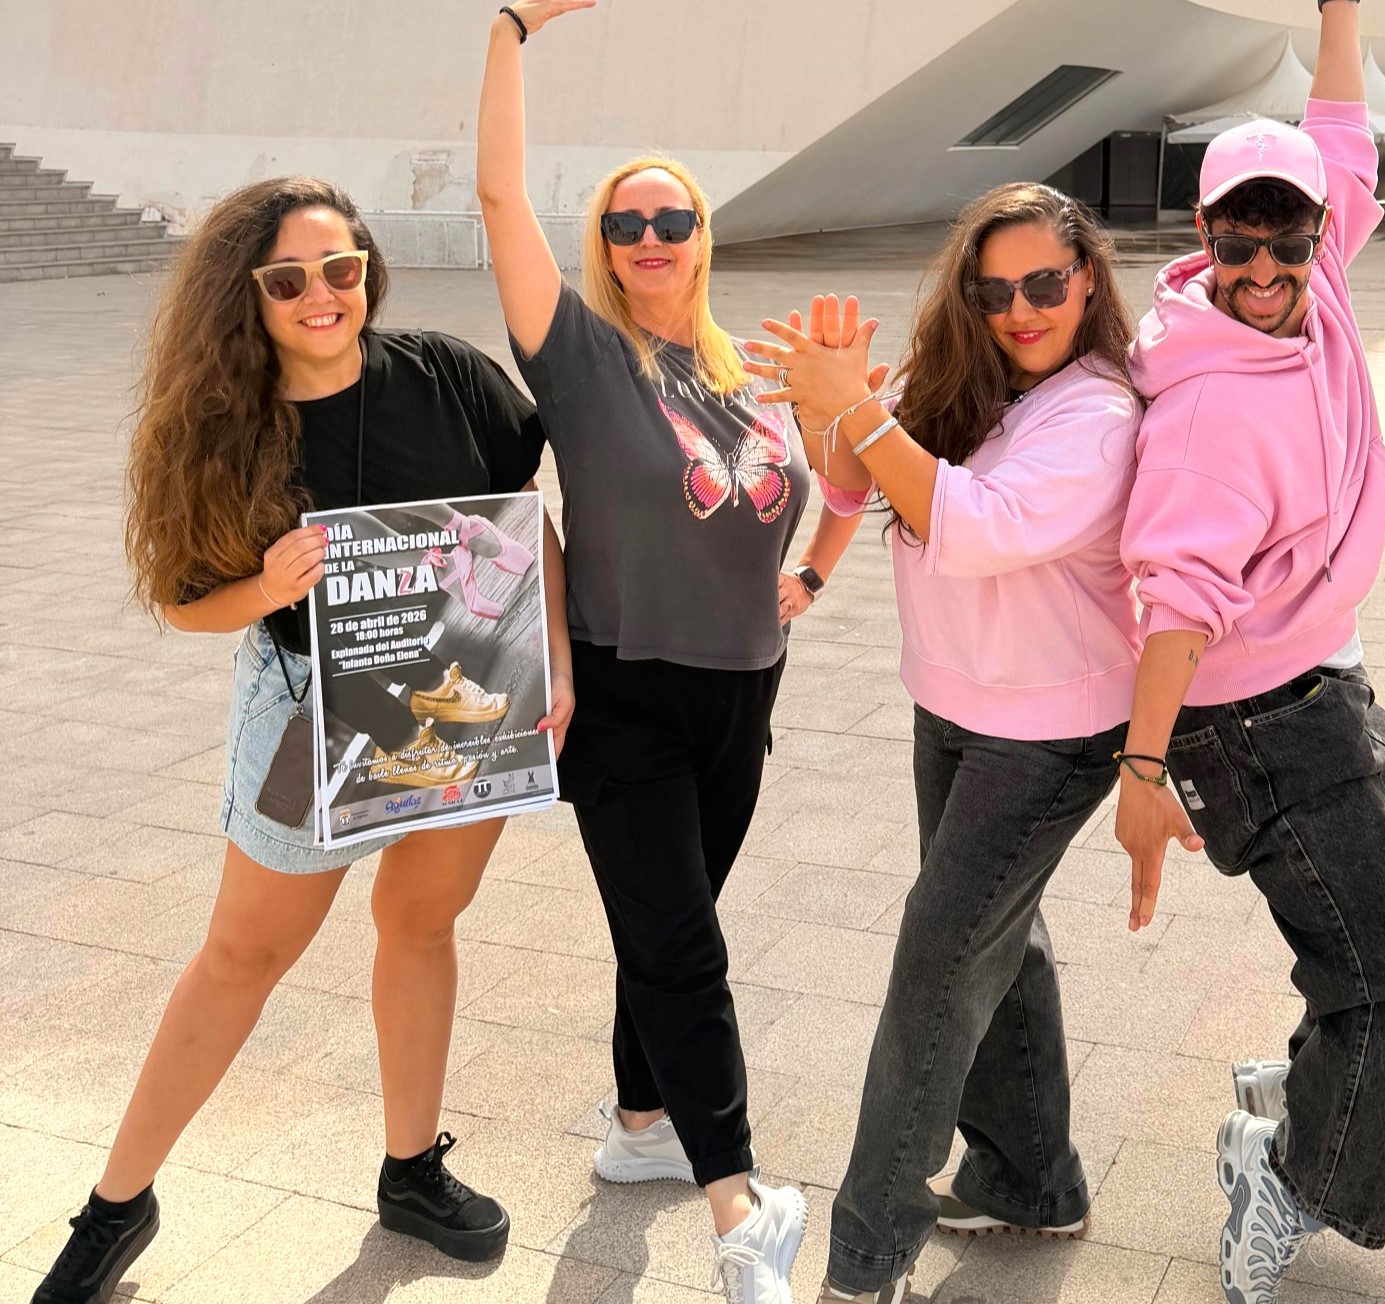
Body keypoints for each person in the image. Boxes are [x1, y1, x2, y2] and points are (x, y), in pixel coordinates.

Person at [31, 176, 570, 1304]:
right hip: (306, 707)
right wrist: (262, 583)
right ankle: (118, 1203)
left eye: (342, 267)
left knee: (421, 928)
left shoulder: (445, 374)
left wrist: (554, 659)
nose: (323, 294)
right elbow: (184, 602)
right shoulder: (217, 425)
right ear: (250, 294)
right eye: (290, 278)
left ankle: (412, 1170)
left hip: (469, 691)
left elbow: (526, 519)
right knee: (241, 957)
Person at [476, 3, 856, 1299]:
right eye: (626, 223)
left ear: (703, 238)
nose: (649, 239)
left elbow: (843, 483)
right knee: (686, 950)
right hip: (625, 697)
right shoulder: (580, 356)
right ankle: (738, 1206)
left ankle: (641, 1126)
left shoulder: (753, 374)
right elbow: (494, 193)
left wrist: (812, 563)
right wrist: (514, 27)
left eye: (672, 219)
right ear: (606, 244)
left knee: (666, 929)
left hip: (744, 693)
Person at [1111, 2, 1385, 1297]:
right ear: (1199, 234)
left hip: (1330, 678)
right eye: (1236, 239)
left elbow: (1342, 130)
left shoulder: (1317, 278)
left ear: (1318, 230)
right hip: (1245, 723)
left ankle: (1310, 1083)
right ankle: (1277, 1170)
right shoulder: (1203, 396)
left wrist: (1338, 14)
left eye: (1286, 233)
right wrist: (1143, 771)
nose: (1264, 264)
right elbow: (1173, 600)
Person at [743, 182, 1142, 1304]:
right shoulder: (965, 382)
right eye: (993, 289)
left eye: (1046, 285)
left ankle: (862, 1263)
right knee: (989, 940)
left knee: (935, 969)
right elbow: (854, 477)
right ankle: (1033, 1179)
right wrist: (834, 399)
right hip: (954, 703)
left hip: (1051, 731)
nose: (1021, 309)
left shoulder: (1098, 412)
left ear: (1088, 281)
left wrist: (857, 408)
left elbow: (978, 529)